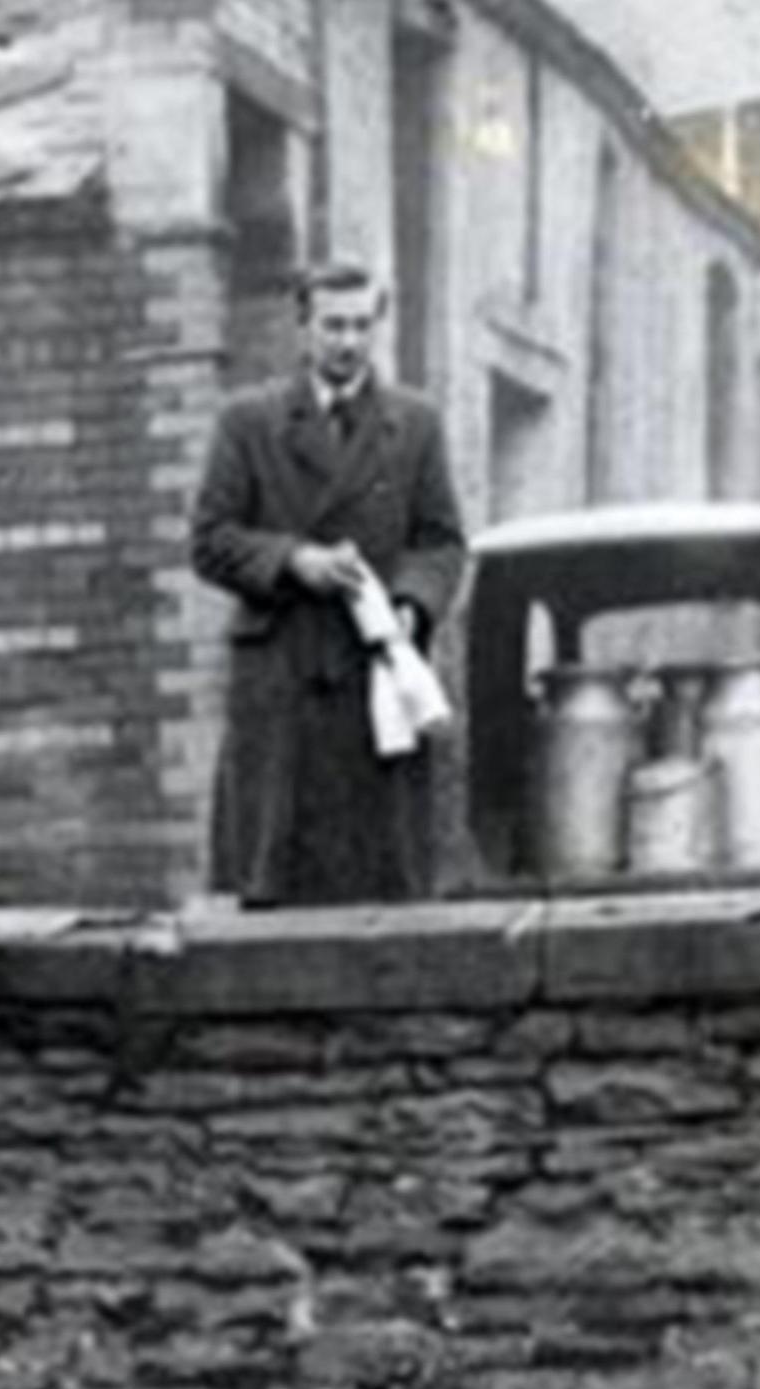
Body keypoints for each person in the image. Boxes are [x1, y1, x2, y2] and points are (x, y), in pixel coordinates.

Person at [190, 262, 471, 906]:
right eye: (332, 325)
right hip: (280, 678)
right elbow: (209, 541)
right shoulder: (247, 423)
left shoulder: (415, 424)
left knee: (382, 873)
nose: (347, 343)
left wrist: (411, 603)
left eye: (361, 326)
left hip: (373, 675)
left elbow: (441, 540)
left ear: (377, 327)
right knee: (275, 877)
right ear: (302, 328)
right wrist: (293, 561)